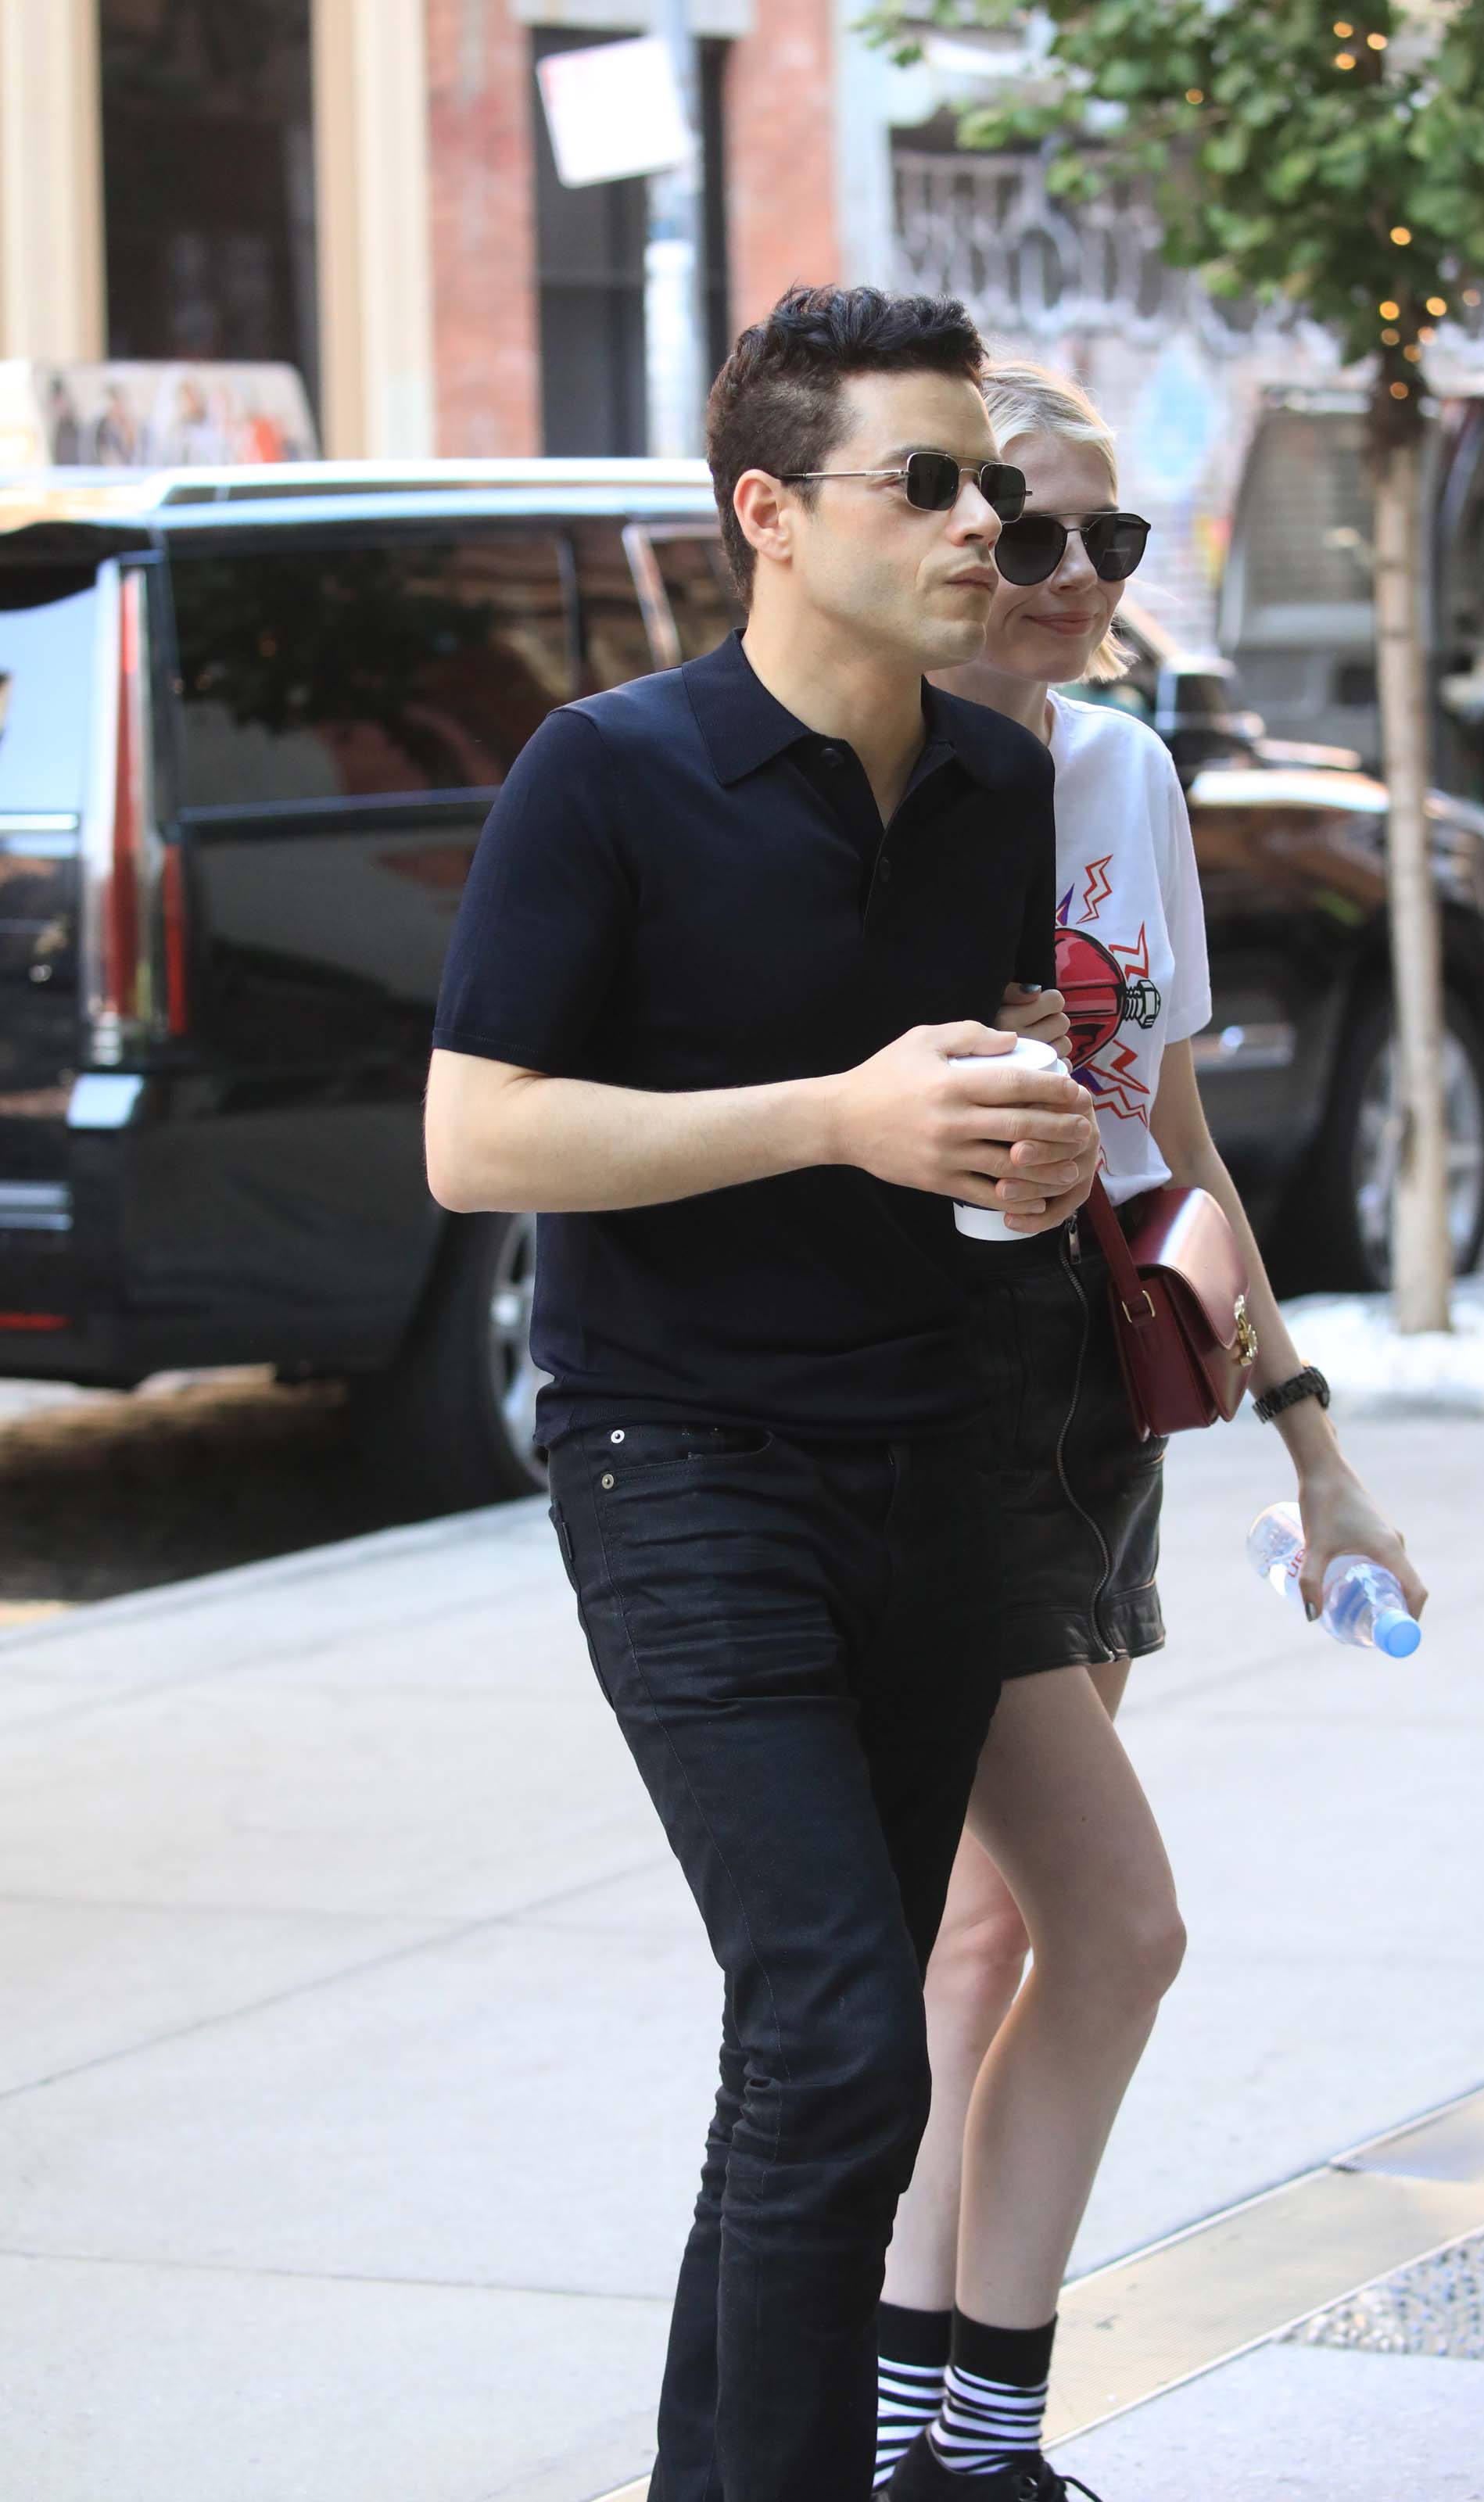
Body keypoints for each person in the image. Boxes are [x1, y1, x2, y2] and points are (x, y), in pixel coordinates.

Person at [424, 289, 1103, 2502]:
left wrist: (1034, 1138)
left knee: (826, 2067)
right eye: (925, 481)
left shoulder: (1001, 778)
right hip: (680, 1458)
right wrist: (834, 1118)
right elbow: (478, 1141)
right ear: (767, 517)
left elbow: (963, 1101)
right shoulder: (606, 772)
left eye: (991, 485)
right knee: (832, 2034)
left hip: (931, 1453)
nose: (980, 526)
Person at [873, 364, 1428, 2500]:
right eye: (1030, 534)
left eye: (1106, 539)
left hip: (1098, 1394)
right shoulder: (871, 786)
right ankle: (941, 2435)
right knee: (1044, 1927)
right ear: (942, 533)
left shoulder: (1123, 773)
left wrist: (1307, 1436)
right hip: (927, 1405)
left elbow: (1166, 1132)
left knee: (999, 1933)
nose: (1074, 578)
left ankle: (925, 2439)